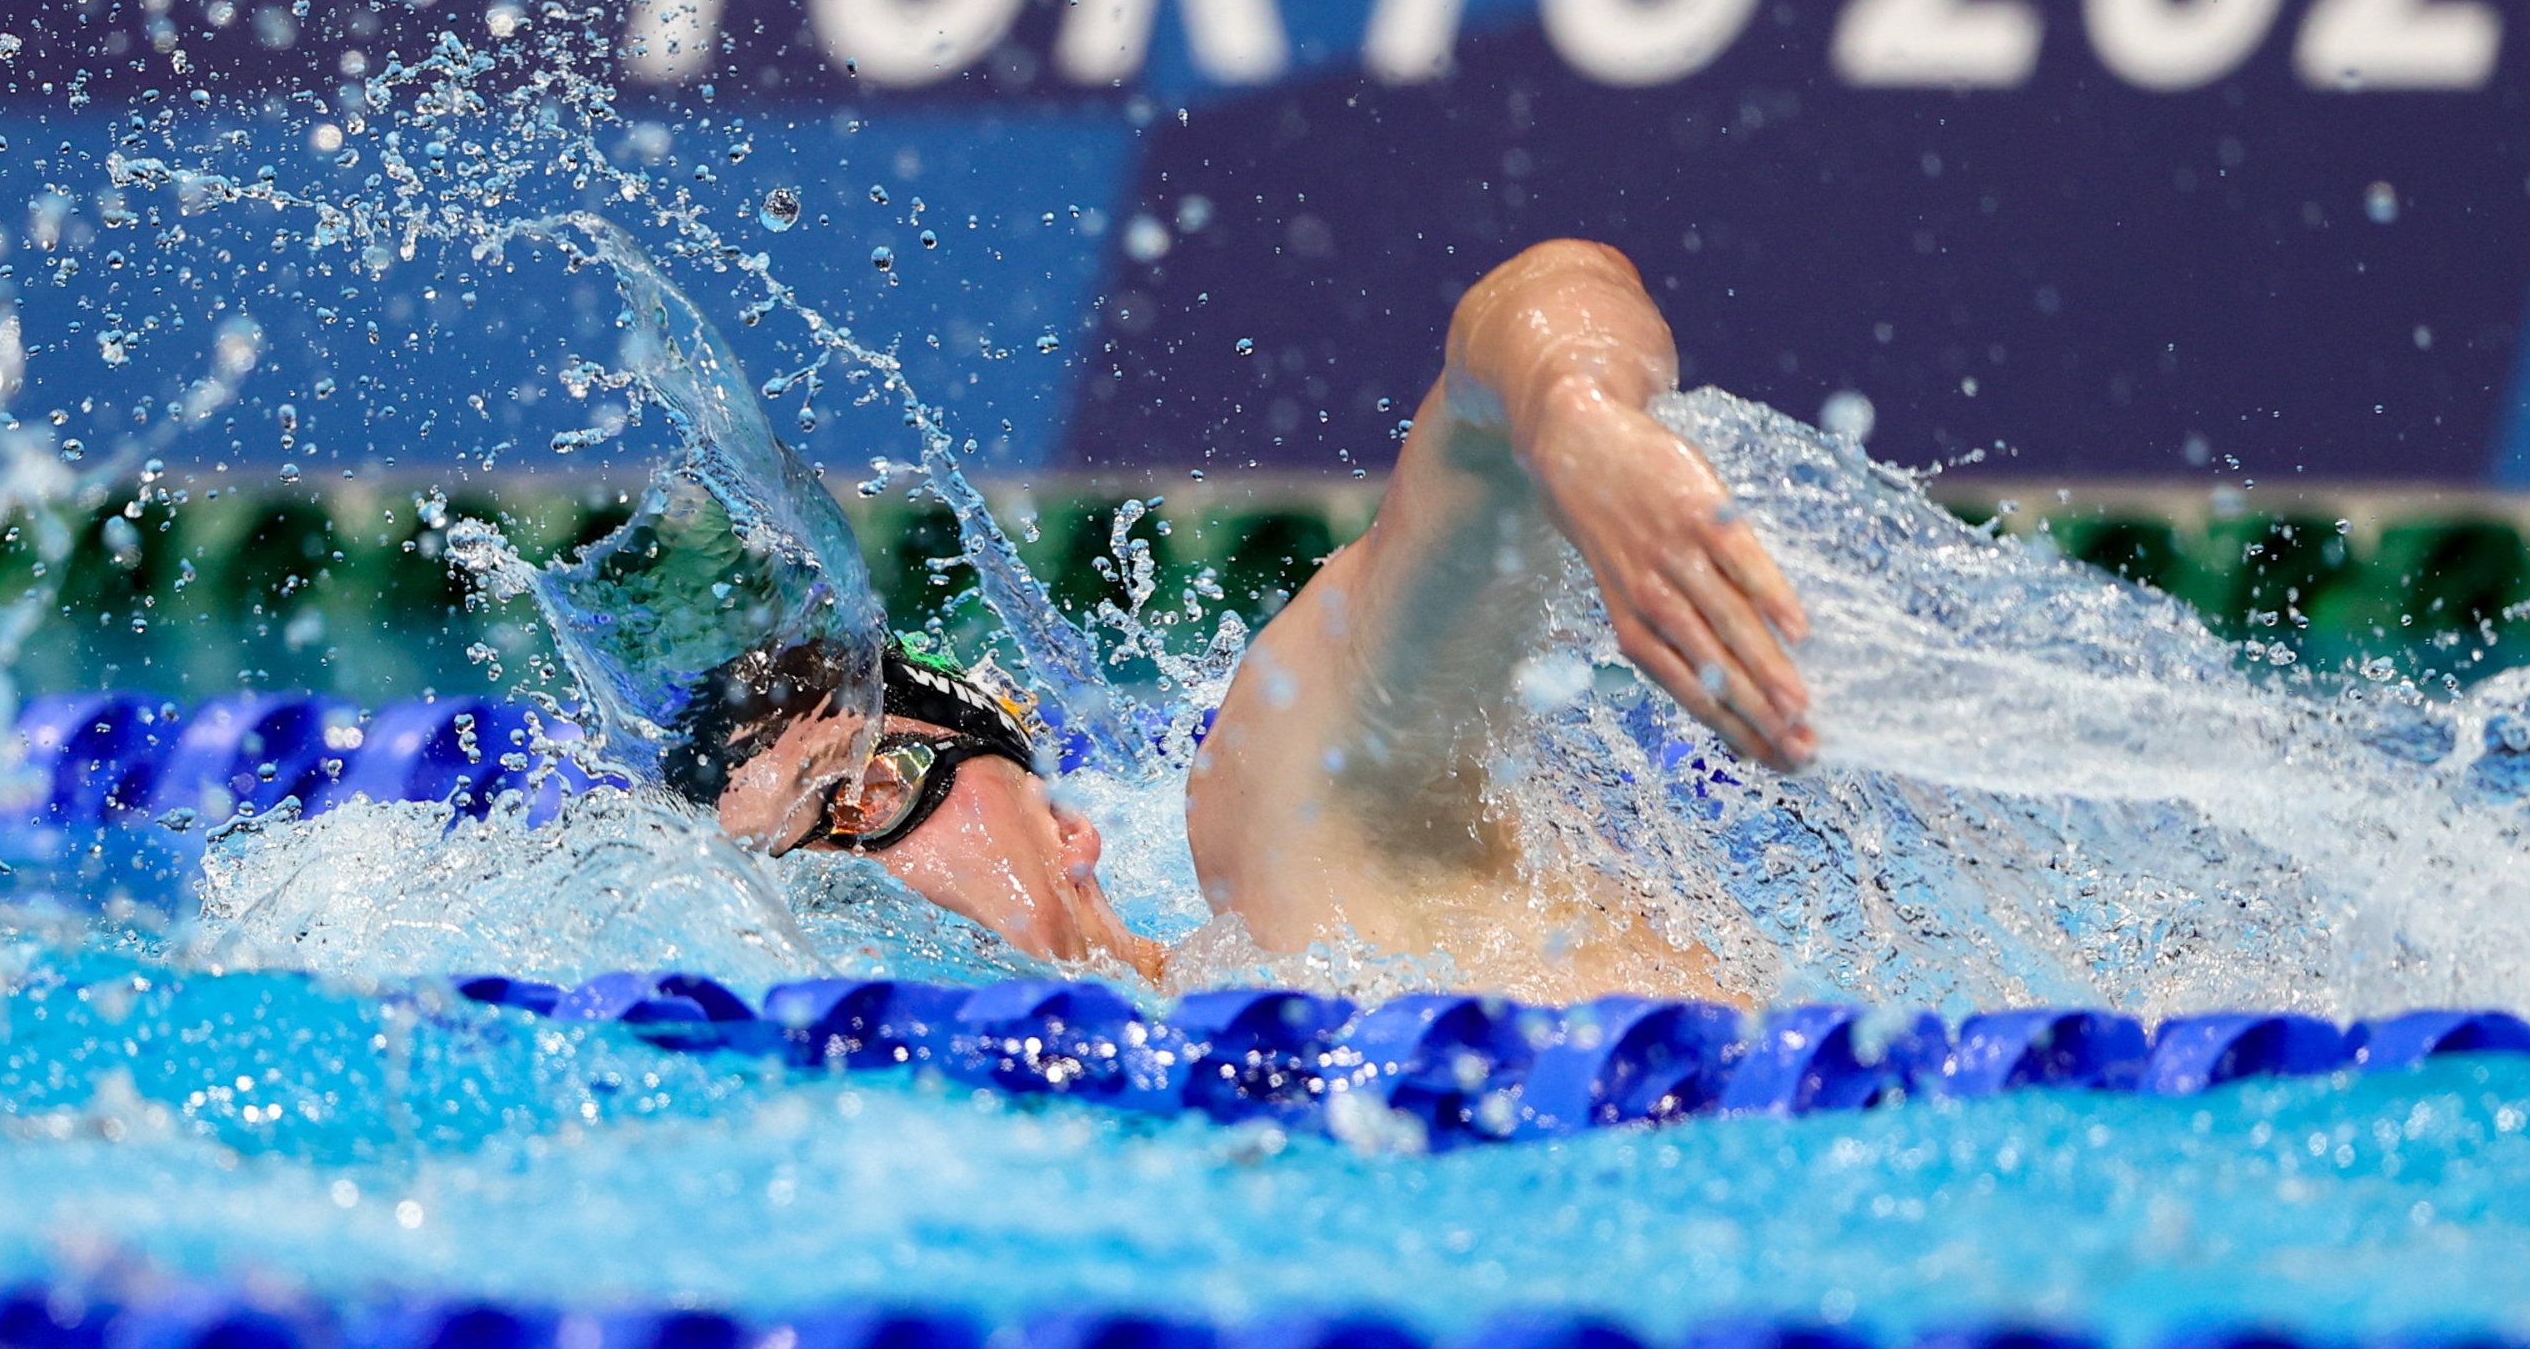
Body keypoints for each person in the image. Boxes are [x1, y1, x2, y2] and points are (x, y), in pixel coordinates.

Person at [670, 238, 1819, 1000]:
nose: (867, 877)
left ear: (1063, 824)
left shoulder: (1295, 863)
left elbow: (1538, 298)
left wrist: (1571, 413)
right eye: (800, 874)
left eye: (867, 794)